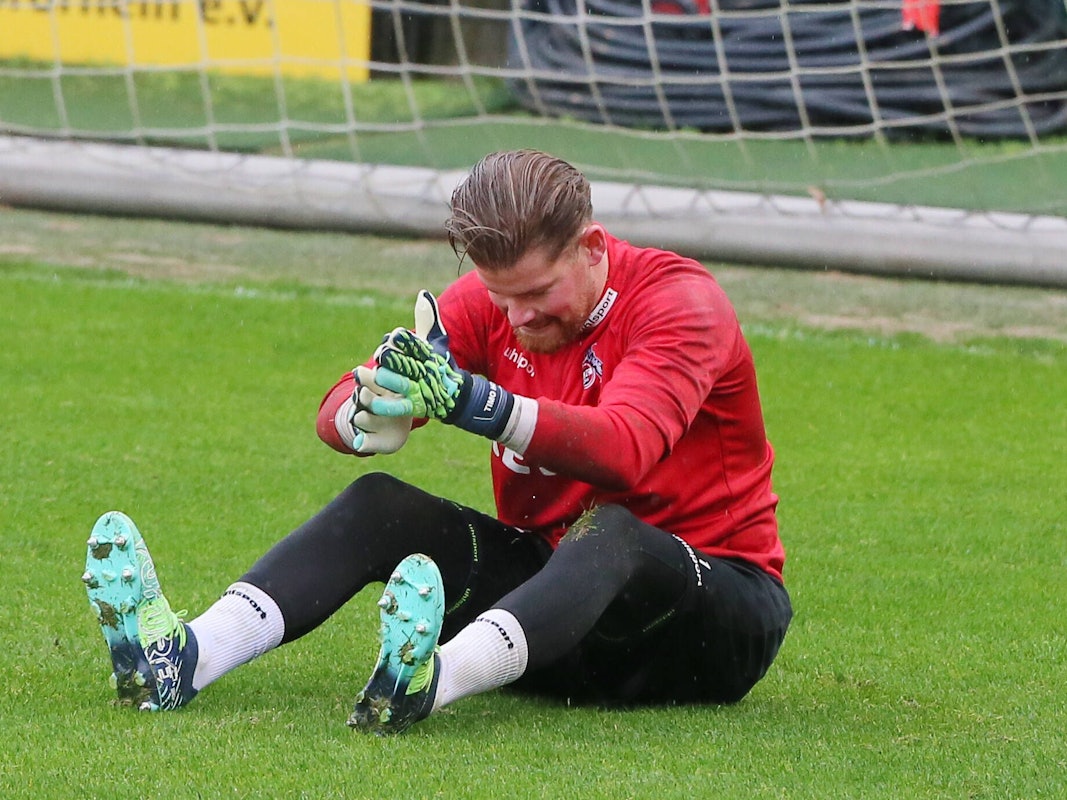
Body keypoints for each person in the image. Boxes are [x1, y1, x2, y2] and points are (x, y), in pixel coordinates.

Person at [82, 149, 792, 734]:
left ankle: (427, 681)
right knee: (375, 502)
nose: (514, 318)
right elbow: (338, 402)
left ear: (592, 248)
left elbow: (624, 449)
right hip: (560, 620)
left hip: (710, 623)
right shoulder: (490, 304)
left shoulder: (678, 303)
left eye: (536, 293)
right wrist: (366, 416)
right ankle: (183, 659)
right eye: (498, 295)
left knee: (612, 531)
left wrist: (475, 402)